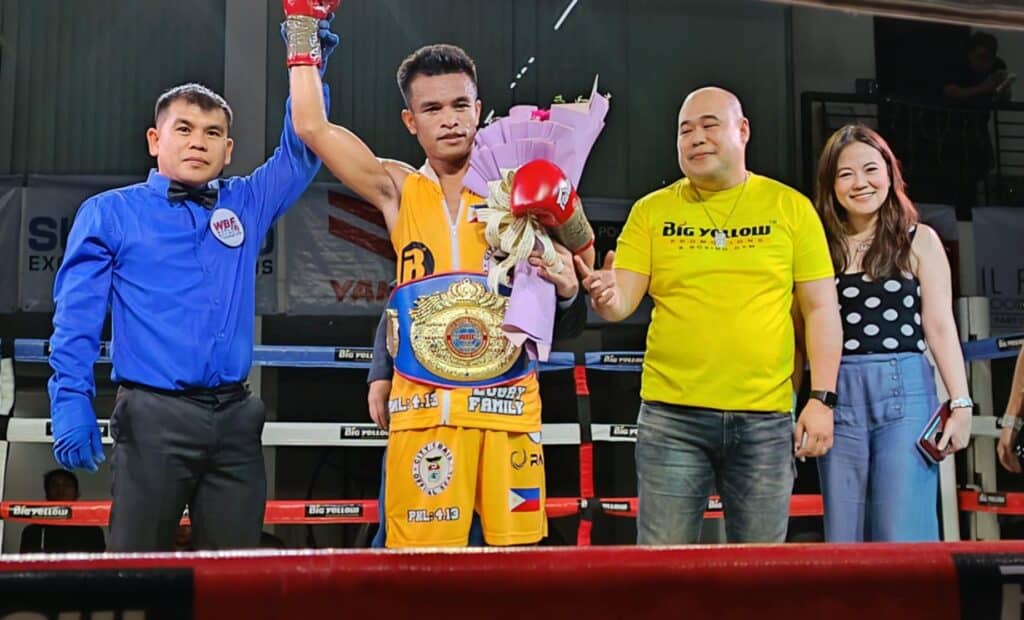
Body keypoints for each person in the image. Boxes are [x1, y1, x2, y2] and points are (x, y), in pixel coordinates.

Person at [283, 5, 584, 547]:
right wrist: (303, 27)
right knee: (414, 576)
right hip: (424, 409)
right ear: (411, 121)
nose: (450, 118)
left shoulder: (520, 189)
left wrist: (566, 285)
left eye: (460, 105)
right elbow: (311, 125)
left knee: (512, 575)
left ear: (479, 109)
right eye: (433, 108)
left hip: (506, 407)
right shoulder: (397, 188)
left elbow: (571, 305)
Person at [47, 22, 338, 551]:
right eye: (184, 129)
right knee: (135, 578)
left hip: (236, 420)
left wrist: (307, 47)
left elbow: (303, 149)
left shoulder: (245, 202)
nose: (197, 143)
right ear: (156, 140)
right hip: (153, 419)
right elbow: (77, 319)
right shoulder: (110, 213)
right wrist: (70, 398)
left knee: (235, 582)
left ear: (228, 149)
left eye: (210, 134)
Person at [576, 86, 842, 544]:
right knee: (662, 569)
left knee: (758, 577)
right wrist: (604, 294)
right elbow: (621, 303)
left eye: (708, 125)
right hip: (672, 418)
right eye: (684, 130)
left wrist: (822, 398)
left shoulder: (791, 208)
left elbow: (820, 310)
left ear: (743, 131)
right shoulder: (651, 212)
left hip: (765, 418)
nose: (695, 138)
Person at [810, 124, 972, 541]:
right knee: (843, 535)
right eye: (845, 174)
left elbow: (939, 325)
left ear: (890, 173)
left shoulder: (919, 240)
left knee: (902, 530)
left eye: (870, 169)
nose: (860, 183)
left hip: (907, 390)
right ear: (830, 184)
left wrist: (961, 402)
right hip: (836, 392)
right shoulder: (817, 245)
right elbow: (803, 326)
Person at [19, 469, 105, 553]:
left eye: (67, 485)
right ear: (47, 494)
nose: (60, 490)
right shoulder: (33, 532)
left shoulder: (92, 531)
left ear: (77, 493)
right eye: (54, 485)